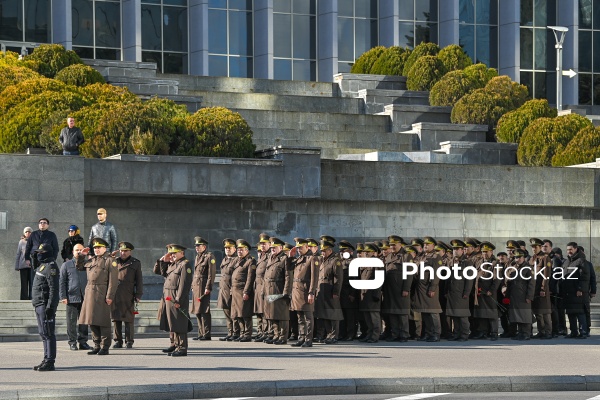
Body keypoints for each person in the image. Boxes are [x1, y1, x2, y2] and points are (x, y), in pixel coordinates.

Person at [75, 237, 119, 355]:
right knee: (91, 320)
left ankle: (105, 346)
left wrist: (109, 296)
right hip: (90, 292)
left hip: (102, 292)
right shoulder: (92, 260)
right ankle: (96, 344)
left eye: (99, 247)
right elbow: (79, 267)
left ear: (105, 248)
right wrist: (81, 256)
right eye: (95, 248)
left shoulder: (110, 260)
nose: (96, 250)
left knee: (103, 321)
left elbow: (113, 281)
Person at [158, 243, 193, 356]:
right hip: (169, 297)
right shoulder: (174, 264)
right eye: (171, 254)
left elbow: (184, 284)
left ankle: (182, 348)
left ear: (181, 253)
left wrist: (179, 300)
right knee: (173, 323)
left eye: (174, 254)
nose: (172, 256)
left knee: (180, 323)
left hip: (176, 298)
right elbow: (160, 272)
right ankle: (176, 345)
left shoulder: (184, 265)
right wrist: (163, 261)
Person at [31, 243, 60, 372]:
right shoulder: (42, 266)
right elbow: (34, 269)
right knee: (43, 333)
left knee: (48, 333)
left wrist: (51, 307)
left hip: (44, 304)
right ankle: (46, 358)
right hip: (38, 303)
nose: (39, 255)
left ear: (47, 253)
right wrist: (32, 258)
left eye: (41, 253)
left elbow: (54, 289)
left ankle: (50, 361)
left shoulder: (51, 267)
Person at [111, 241, 143, 349]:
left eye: (125, 251)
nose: (123, 253)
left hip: (128, 293)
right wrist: (110, 257)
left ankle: (129, 340)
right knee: (116, 318)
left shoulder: (135, 263)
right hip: (115, 293)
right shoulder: (114, 261)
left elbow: (139, 280)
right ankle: (118, 340)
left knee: (128, 318)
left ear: (130, 251)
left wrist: (138, 294)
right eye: (121, 251)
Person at [59, 243, 91, 351]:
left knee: (83, 321)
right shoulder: (66, 265)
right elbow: (62, 282)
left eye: (81, 250)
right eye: (76, 250)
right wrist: (63, 296)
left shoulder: (87, 264)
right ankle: (72, 342)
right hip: (71, 297)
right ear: (73, 252)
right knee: (71, 322)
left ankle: (83, 342)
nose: (78, 252)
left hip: (85, 297)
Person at [263, 237, 293, 345]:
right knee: (272, 315)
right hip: (269, 289)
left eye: (275, 247)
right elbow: (265, 276)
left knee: (282, 315)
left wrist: (286, 291)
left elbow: (288, 276)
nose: (272, 249)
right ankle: (276, 335)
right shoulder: (270, 258)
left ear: (281, 247)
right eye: (271, 248)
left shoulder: (284, 259)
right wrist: (263, 290)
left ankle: (283, 337)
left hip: (279, 289)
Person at [289, 238, 318, 348]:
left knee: (308, 317)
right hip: (297, 291)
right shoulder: (299, 258)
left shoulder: (312, 258)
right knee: (300, 317)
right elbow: (289, 268)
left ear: (307, 247)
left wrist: (311, 292)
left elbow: (314, 278)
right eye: (297, 248)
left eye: (300, 248)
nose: (299, 250)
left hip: (306, 291)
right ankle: (301, 338)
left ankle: (308, 339)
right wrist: (290, 256)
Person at [190, 236, 216, 341]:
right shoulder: (197, 257)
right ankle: (201, 332)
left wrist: (208, 287)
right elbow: (195, 273)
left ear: (204, 247)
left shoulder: (209, 256)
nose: (197, 248)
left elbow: (211, 273)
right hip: (196, 286)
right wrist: (192, 285)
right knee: (197, 310)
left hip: (203, 286)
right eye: (196, 246)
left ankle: (207, 333)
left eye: (199, 246)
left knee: (204, 310)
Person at [230, 239, 256, 342]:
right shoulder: (237, 260)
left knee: (245, 314)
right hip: (235, 290)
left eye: (241, 250)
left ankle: (247, 334)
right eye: (238, 250)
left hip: (242, 290)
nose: (239, 252)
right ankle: (242, 333)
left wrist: (246, 291)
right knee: (238, 314)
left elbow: (250, 278)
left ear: (247, 250)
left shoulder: (250, 261)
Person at [562, 242, 590, 338]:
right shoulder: (566, 262)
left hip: (577, 292)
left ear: (575, 249)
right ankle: (573, 332)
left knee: (580, 313)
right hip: (568, 292)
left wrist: (580, 289)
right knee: (571, 313)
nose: (569, 251)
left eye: (570, 249)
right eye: (567, 250)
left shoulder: (581, 261)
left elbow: (584, 276)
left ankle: (583, 332)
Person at [217, 238, 239, 341]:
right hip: (223, 290)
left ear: (235, 249)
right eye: (226, 248)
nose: (227, 250)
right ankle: (230, 332)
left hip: (231, 290)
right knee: (227, 313)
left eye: (229, 248)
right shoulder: (224, 259)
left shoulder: (237, 260)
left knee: (233, 313)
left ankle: (236, 332)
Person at [15, 226, 33, 300]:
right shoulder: (21, 242)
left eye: (29, 232)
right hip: (23, 265)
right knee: (24, 284)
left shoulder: (34, 241)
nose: (28, 233)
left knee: (32, 283)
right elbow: (18, 254)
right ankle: (24, 299)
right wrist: (17, 265)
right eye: (26, 232)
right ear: (24, 233)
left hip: (32, 266)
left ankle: (32, 298)